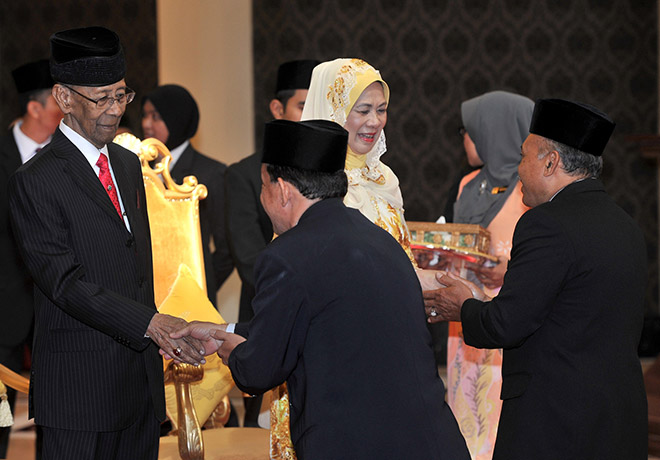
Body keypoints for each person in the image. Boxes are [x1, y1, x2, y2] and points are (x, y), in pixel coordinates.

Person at [172, 118, 471, 460]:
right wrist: (225, 331)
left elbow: (259, 371)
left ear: (283, 190)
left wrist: (232, 352)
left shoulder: (286, 255)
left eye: (263, 186)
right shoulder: (380, 241)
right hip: (433, 443)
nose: (261, 197)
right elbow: (322, 323)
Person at [8, 27, 204, 459]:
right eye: (102, 98)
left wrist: (163, 334)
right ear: (63, 98)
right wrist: (150, 324)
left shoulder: (128, 165)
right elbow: (64, 283)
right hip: (79, 393)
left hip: (139, 387)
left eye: (122, 95)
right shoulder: (36, 181)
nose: (115, 110)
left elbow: (134, 268)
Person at [424, 98, 648, 459]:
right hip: (617, 422)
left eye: (524, 157)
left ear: (550, 162)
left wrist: (462, 306)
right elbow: (560, 314)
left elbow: (505, 325)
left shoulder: (546, 223)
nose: (518, 170)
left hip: (556, 424)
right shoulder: (626, 226)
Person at [225, 59, 318, 428]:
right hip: (266, 318)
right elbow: (248, 257)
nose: (310, 115)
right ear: (277, 109)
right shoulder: (245, 175)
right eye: (301, 106)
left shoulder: (330, 172)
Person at [448, 90, 533, 459]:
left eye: (470, 130)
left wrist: (507, 269)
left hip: (506, 316)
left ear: (494, 131)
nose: (465, 138)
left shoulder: (530, 188)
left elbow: (546, 259)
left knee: (498, 416)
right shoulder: (468, 185)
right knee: (464, 408)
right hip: (463, 314)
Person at [0, 58, 62, 458]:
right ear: (35, 108)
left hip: (57, 304)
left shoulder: (67, 156)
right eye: (58, 104)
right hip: (3, 308)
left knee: (56, 413)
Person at [142, 84, 233, 306]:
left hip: (193, 299)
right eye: (144, 115)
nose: (146, 124)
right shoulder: (137, 168)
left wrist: (201, 285)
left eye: (156, 117)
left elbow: (226, 249)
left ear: (177, 119)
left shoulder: (212, 172)